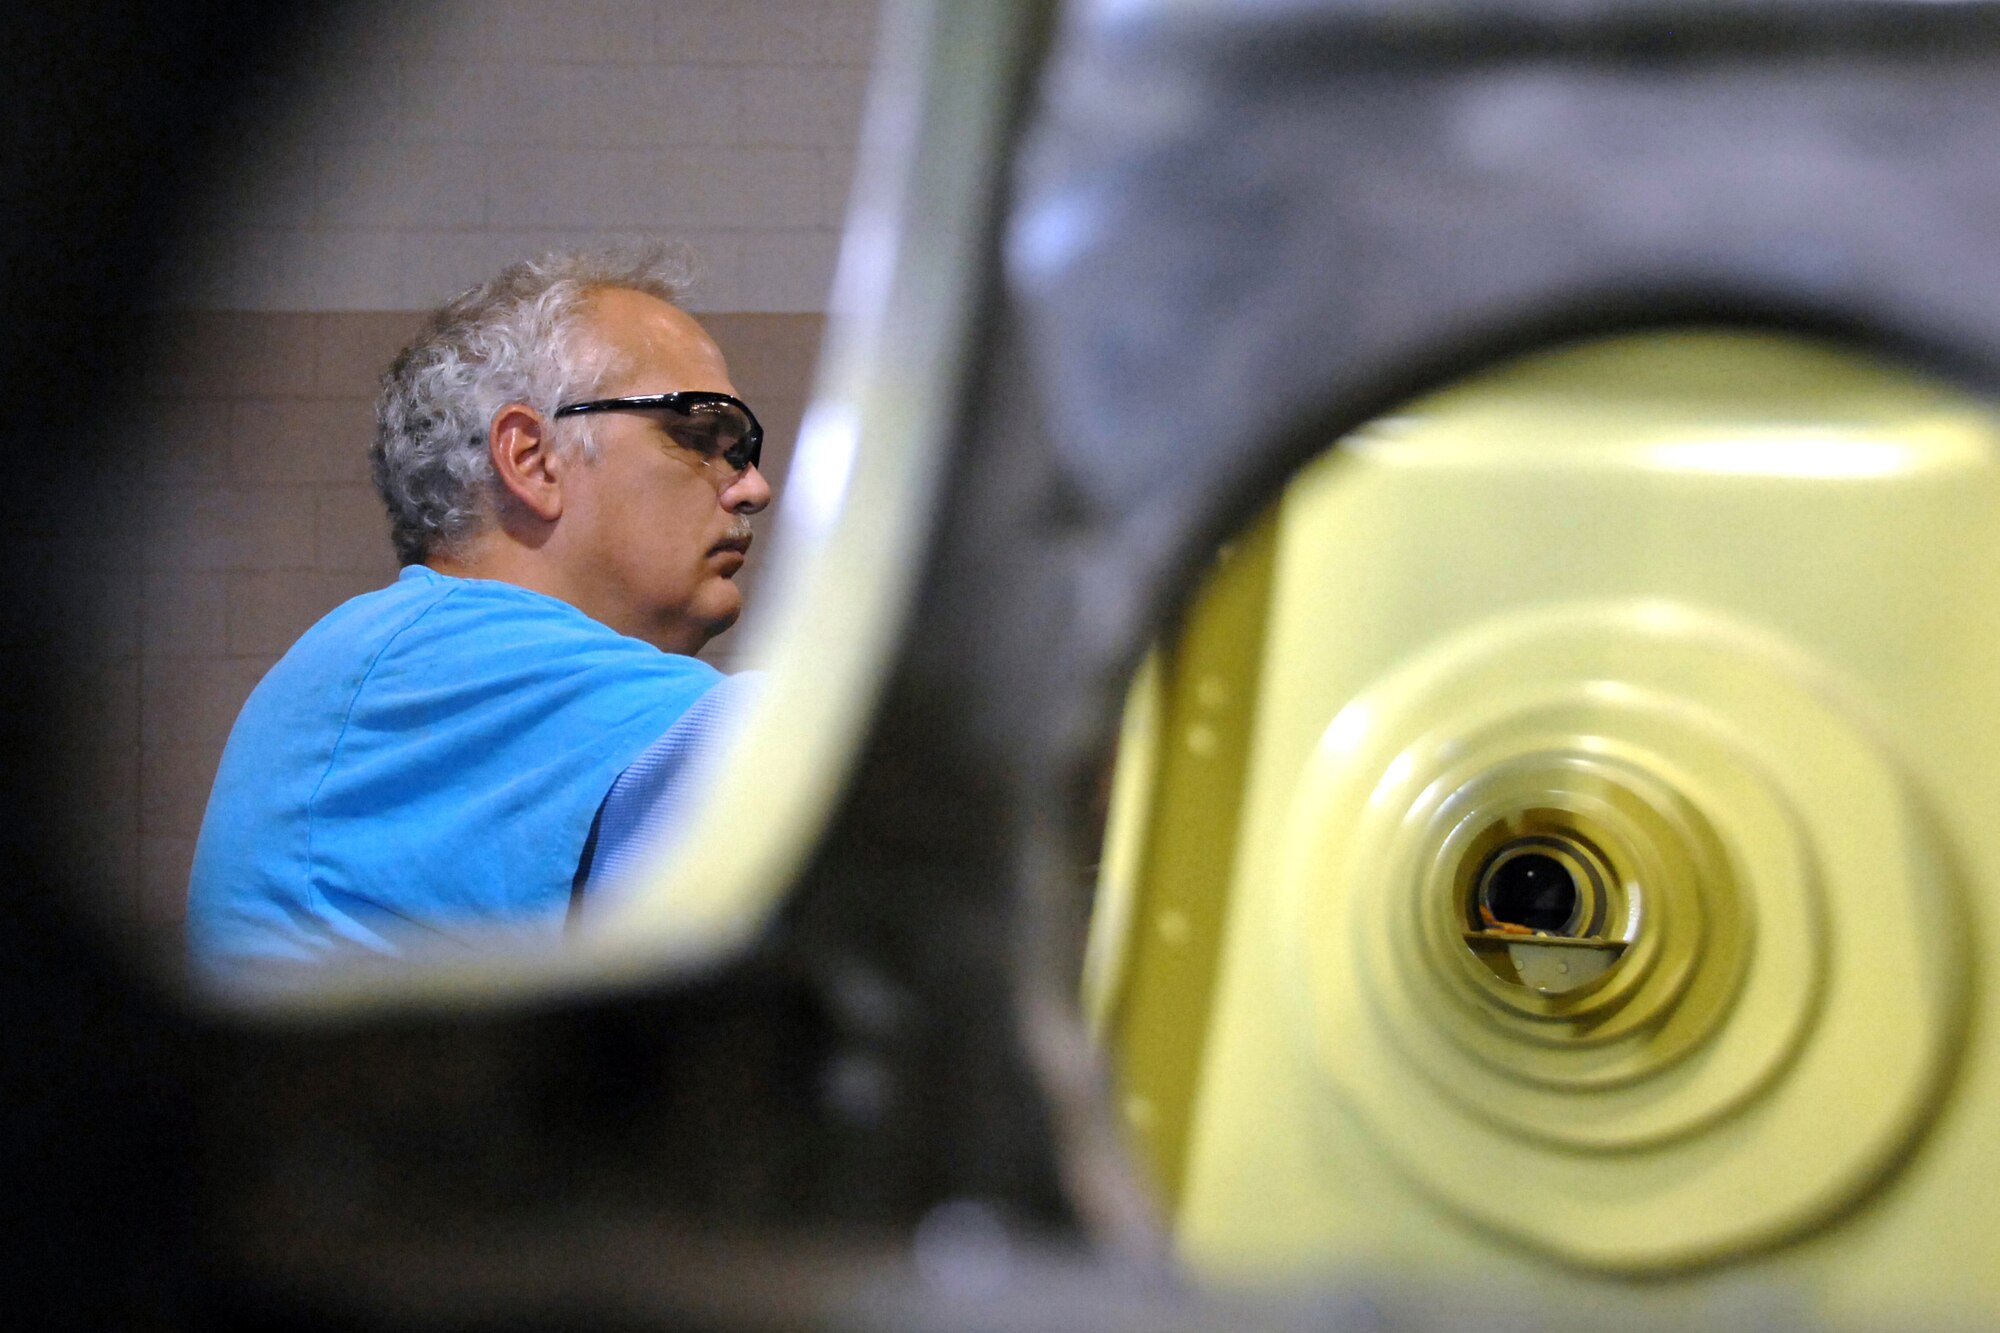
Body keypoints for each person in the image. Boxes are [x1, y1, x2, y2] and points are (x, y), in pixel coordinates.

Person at [187, 246, 773, 975]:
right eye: (699, 435)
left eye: (743, 449)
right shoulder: (444, 657)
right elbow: (850, 777)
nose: (752, 487)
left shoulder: (383, 657)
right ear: (531, 458)